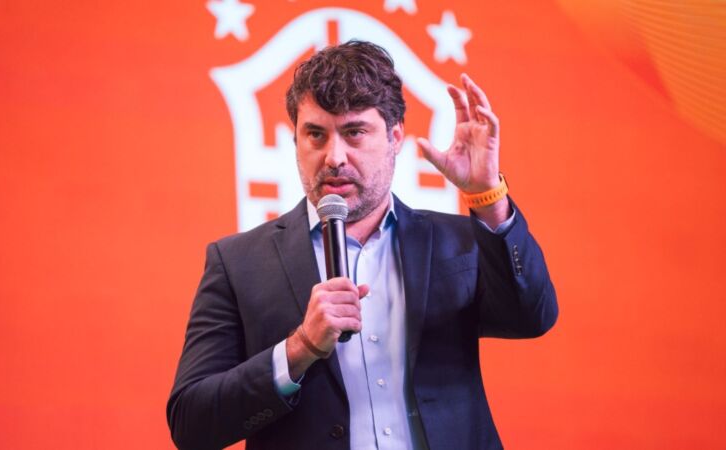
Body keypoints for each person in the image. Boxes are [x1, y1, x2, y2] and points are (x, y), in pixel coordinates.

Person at [167, 40, 558, 450]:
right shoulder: (238, 263)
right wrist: (299, 348)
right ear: (295, 141)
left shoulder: (458, 241)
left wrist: (487, 198)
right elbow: (191, 423)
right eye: (315, 134)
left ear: (395, 137)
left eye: (354, 133)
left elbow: (533, 318)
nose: (334, 157)